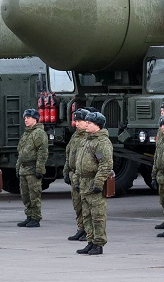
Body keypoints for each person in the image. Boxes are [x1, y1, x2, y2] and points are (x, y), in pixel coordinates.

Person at [74, 111, 113, 255]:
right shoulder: (86, 140)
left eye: (90, 123)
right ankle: (90, 241)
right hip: (84, 182)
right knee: (87, 215)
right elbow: (79, 163)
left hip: (93, 182)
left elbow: (105, 164)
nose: (87, 125)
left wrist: (98, 183)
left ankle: (98, 243)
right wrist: (77, 180)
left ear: (97, 126)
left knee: (98, 215)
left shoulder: (101, 143)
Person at [16, 108, 48, 228]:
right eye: (25, 118)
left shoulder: (39, 133)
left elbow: (42, 152)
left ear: (35, 119)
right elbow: (21, 152)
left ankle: (35, 217)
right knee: (25, 195)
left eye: (28, 118)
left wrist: (39, 169)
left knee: (34, 195)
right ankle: (29, 216)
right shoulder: (26, 133)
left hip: (32, 169)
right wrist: (18, 166)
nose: (26, 120)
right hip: (24, 169)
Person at [63, 108, 90, 241]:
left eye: (80, 121)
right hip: (74, 173)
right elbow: (69, 154)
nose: (77, 123)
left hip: (82, 175)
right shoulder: (76, 136)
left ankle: (88, 231)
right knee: (77, 204)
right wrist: (66, 171)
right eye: (76, 120)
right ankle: (81, 228)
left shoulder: (88, 137)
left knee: (85, 205)